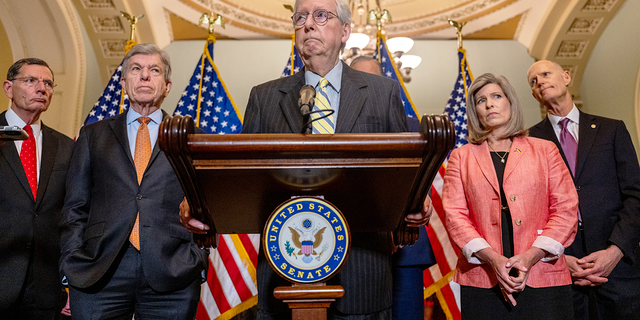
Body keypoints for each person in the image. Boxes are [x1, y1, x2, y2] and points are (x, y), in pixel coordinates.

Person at [182, 0, 432, 319]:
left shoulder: (382, 93)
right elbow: (242, 178)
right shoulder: (265, 97)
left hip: (362, 274)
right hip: (283, 271)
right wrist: (201, 202)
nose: (308, 24)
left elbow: (403, 174)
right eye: (300, 17)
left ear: (345, 31)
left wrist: (414, 200)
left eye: (320, 15)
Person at [59, 43, 209, 319]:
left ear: (167, 85)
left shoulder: (191, 138)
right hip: (99, 270)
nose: (144, 76)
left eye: (154, 70)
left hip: (173, 268)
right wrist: (72, 262)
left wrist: (196, 259)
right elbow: (75, 206)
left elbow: (208, 207)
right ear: (124, 82)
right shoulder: (93, 135)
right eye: (136, 69)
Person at [442, 73, 579, 319]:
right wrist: (493, 259)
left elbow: (566, 209)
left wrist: (531, 256)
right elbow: (454, 216)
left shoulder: (545, 149)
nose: (489, 104)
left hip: (544, 276)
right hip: (482, 280)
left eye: (496, 96)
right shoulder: (461, 156)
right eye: (480, 100)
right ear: (475, 112)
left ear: (510, 102)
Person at [527, 60, 640, 319]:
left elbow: (636, 195)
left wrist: (615, 250)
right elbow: (529, 209)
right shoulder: (528, 142)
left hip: (619, 270)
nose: (540, 81)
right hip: (562, 274)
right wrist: (557, 257)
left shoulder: (611, 130)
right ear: (534, 95)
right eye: (534, 81)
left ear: (566, 77)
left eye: (545, 74)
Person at [350, 55, 436, 320]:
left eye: (373, 78)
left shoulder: (414, 128)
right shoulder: (337, 128)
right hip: (354, 248)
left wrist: (414, 208)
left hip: (406, 248)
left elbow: (422, 182)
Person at [0, 58, 74, 319]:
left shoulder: (67, 148)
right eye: (31, 80)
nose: (42, 88)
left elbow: (73, 217)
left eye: (48, 83)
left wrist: (72, 282)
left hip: (46, 287)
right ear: (9, 88)